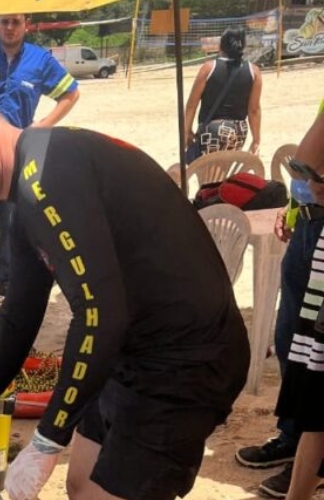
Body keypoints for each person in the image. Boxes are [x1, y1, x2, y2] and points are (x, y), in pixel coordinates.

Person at [0, 84, 249, 500]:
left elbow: (100, 315)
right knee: (79, 484)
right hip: (132, 352)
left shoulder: (46, 175)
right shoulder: (26, 186)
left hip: (186, 361)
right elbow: (19, 314)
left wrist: (48, 440)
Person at [0, 13, 80, 310]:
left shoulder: (40, 60)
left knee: (11, 226)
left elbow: (71, 94)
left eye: (15, 22)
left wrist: (45, 124)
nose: (9, 28)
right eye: (4, 22)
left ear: (26, 25)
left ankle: (5, 286)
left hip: (15, 158)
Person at [272, 100, 324, 500]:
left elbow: (308, 160)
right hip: (309, 224)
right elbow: (305, 168)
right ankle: (294, 439)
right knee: (294, 342)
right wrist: (293, 208)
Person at [184, 27, 263, 158]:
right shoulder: (254, 71)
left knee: (209, 175)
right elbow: (254, 110)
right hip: (238, 130)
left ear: (221, 45)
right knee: (227, 171)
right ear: (243, 45)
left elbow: (191, 105)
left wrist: (187, 131)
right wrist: (256, 140)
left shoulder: (208, 68)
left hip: (212, 130)